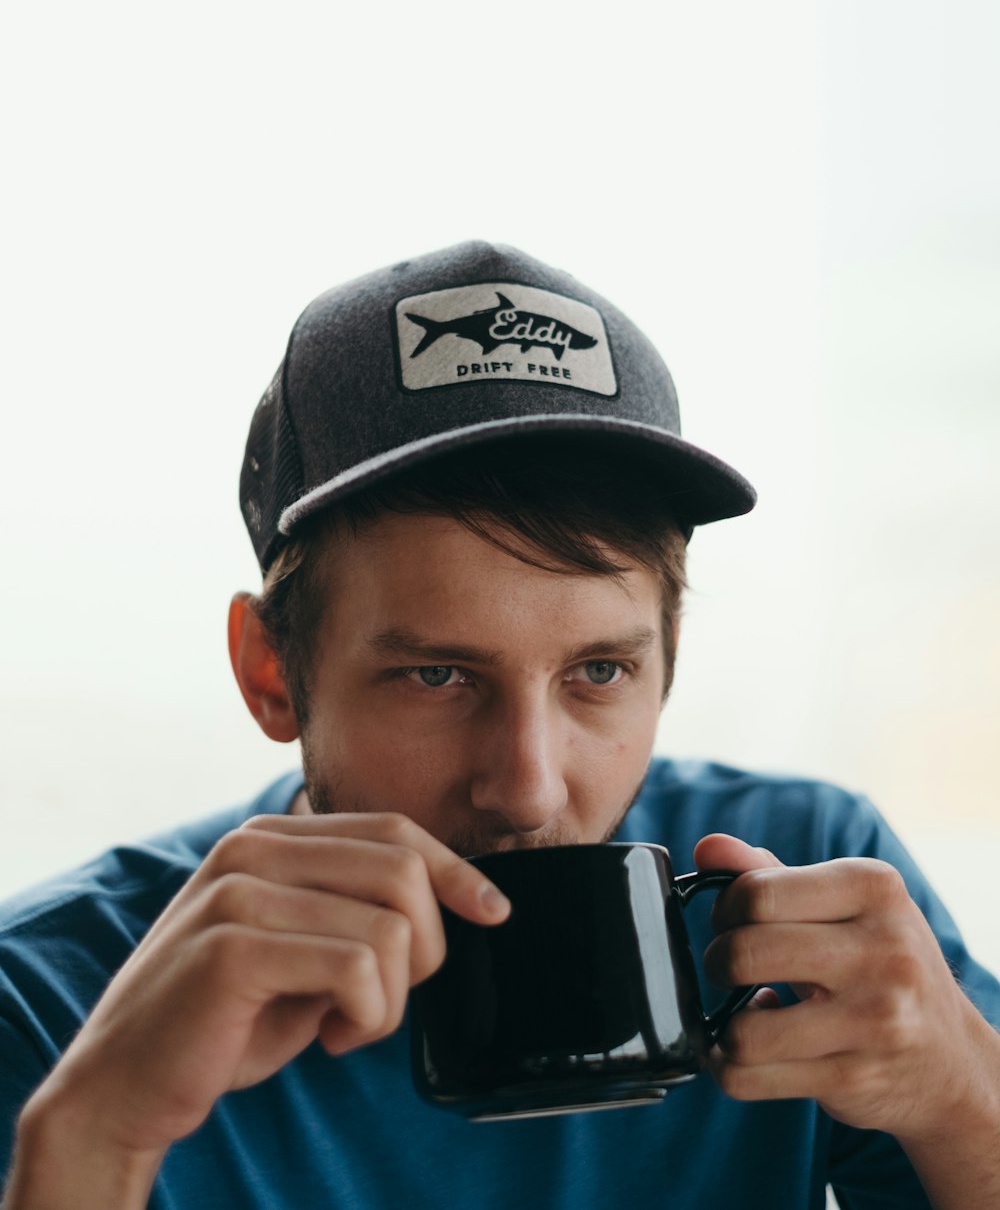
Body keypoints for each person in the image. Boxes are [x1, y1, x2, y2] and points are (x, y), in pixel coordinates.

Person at [1, 240, 998, 1210]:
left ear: (669, 658)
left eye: (599, 672)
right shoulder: (51, 1007)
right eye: (437, 675)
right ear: (272, 673)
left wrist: (963, 1101)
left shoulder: (806, 892)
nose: (527, 787)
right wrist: (92, 1140)